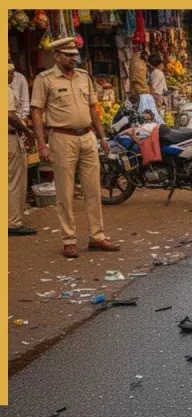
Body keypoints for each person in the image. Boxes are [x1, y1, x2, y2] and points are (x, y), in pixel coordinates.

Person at [30, 37, 120, 257]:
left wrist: (102, 137)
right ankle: (68, 239)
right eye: (68, 55)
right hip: (62, 138)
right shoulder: (45, 79)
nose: (73, 58)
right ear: (57, 56)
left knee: (93, 189)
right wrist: (42, 145)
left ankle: (97, 237)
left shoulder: (83, 76)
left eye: (74, 55)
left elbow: (93, 108)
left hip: (87, 136)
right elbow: (36, 113)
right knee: (65, 191)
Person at [8, 62, 36, 236]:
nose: (12, 76)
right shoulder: (7, 90)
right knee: (15, 181)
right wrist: (27, 130)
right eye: (10, 72)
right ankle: (13, 222)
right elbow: (9, 115)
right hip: (9, 138)